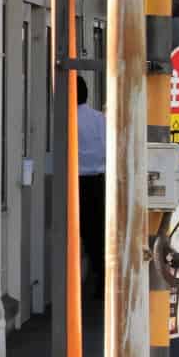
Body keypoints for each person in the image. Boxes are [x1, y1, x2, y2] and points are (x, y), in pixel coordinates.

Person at [76, 77, 107, 294]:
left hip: (75, 180)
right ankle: (101, 280)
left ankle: (74, 280)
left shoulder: (67, 118)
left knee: (76, 232)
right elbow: (107, 147)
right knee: (97, 233)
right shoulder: (99, 119)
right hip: (98, 179)